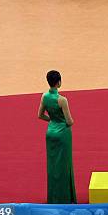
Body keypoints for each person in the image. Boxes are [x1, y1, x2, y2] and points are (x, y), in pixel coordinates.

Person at [37, 70, 77, 204]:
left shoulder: (44, 97)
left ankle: (53, 197)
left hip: (50, 133)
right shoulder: (62, 100)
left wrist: (52, 120)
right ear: (59, 82)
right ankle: (65, 197)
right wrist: (61, 122)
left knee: (53, 165)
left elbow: (40, 115)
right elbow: (69, 121)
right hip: (62, 134)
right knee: (64, 165)